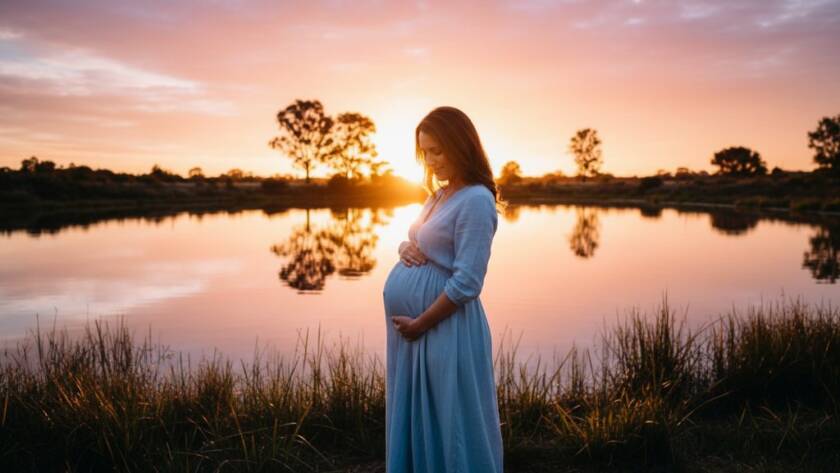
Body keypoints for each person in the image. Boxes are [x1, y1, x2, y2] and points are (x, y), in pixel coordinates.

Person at [382, 105, 504, 472]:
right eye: (425, 152)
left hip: (444, 327)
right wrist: (405, 247)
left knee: (450, 418)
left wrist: (421, 324)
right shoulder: (440, 195)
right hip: (419, 332)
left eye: (438, 150)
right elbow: (418, 237)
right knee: (423, 412)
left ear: (461, 145)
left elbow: (468, 281)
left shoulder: (477, 201)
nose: (431, 160)